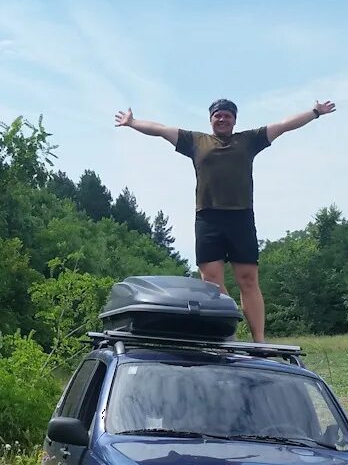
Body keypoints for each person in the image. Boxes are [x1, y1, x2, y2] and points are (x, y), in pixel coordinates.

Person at [114, 97, 336, 341]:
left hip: (241, 217)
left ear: (234, 120)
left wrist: (315, 112)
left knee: (248, 279)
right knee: (211, 284)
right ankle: (226, 338)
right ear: (211, 120)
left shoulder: (249, 140)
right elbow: (161, 130)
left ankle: (259, 341)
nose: (222, 119)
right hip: (208, 218)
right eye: (217, 115)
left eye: (227, 115)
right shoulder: (196, 141)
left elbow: (283, 125)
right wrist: (132, 122)